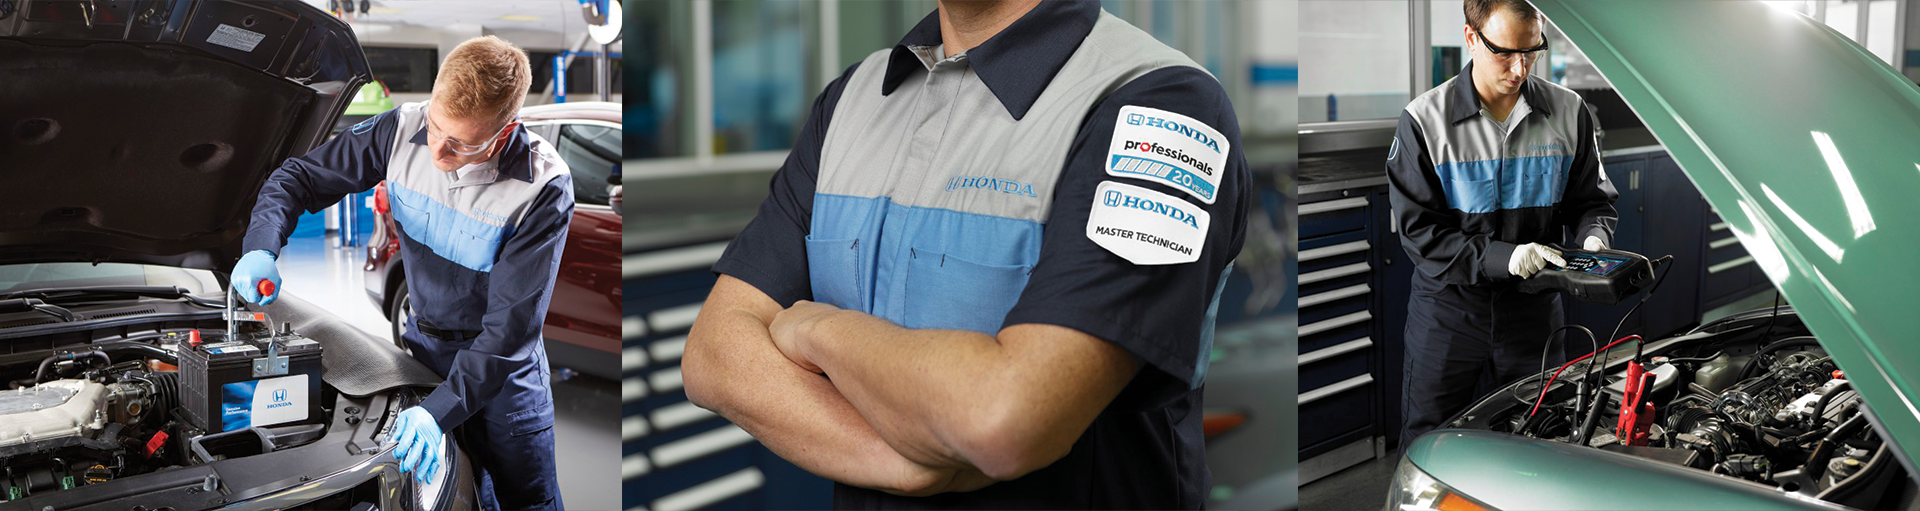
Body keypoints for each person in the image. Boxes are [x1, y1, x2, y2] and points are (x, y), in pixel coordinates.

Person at [679, 0, 1251, 507]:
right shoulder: (852, 101)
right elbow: (713, 356)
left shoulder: (1160, 107)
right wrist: (911, 466)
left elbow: (1005, 420)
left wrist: (815, 329)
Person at [231, 36, 572, 510]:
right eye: (435, 127)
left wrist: (439, 412)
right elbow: (298, 179)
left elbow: (508, 334)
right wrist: (260, 247)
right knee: (451, 496)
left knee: (526, 500)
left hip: (504, 380)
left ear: (505, 130)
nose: (438, 152)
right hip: (425, 353)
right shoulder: (399, 129)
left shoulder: (542, 186)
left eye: (462, 144)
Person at [1387, 0, 1620, 448]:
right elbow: (1421, 234)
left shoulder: (1569, 111)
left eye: (1532, 51)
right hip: (1449, 311)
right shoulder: (1423, 121)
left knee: (1542, 434)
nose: (1520, 68)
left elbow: (1592, 202)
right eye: (1505, 53)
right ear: (1471, 38)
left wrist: (1594, 238)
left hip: (1535, 312)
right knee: (1430, 439)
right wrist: (1505, 257)